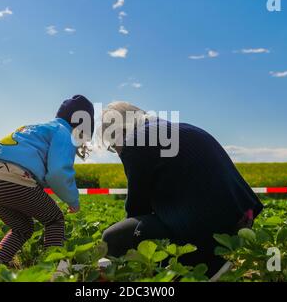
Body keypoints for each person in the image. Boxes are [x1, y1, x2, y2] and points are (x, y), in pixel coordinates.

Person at [99, 101, 264, 277]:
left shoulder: (135, 142)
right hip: (241, 220)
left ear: (119, 132)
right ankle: (213, 259)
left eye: (111, 144)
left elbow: (136, 208)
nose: (115, 151)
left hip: (206, 232)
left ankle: (206, 266)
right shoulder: (182, 128)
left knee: (113, 238)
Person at [0, 95, 94, 266]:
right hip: (15, 179)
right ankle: (52, 266)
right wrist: (72, 200)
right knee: (54, 219)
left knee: (22, 228)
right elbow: (58, 172)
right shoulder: (64, 133)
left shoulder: (36, 128)